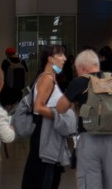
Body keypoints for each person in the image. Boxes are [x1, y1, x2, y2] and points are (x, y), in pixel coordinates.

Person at [56, 49, 112, 189]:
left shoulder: (79, 82)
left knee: (89, 183)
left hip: (88, 139)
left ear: (82, 67)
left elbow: (60, 108)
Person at [21, 44, 67, 189]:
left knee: (47, 172)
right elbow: (38, 106)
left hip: (45, 130)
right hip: (44, 131)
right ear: (50, 59)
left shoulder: (50, 77)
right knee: (43, 174)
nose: (64, 59)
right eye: (60, 55)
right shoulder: (47, 78)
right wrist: (58, 117)